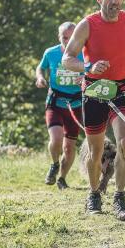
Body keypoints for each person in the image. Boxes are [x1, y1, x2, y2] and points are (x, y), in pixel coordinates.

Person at [62, 0, 125, 219]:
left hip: (122, 88)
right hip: (95, 90)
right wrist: (89, 67)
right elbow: (67, 59)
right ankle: (94, 193)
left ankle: (119, 197)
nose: (114, 1)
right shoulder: (87, 25)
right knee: (96, 150)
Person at [36, 22, 84, 190]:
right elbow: (40, 68)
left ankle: (62, 178)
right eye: (64, 37)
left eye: (71, 37)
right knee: (56, 139)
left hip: (75, 103)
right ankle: (55, 164)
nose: (68, 40)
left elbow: (92, 72)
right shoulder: (51, 53)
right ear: (59, 37)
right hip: (55, 102)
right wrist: (40, 78)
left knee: (69, 147)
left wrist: (85, 79)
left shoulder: (84, 54)